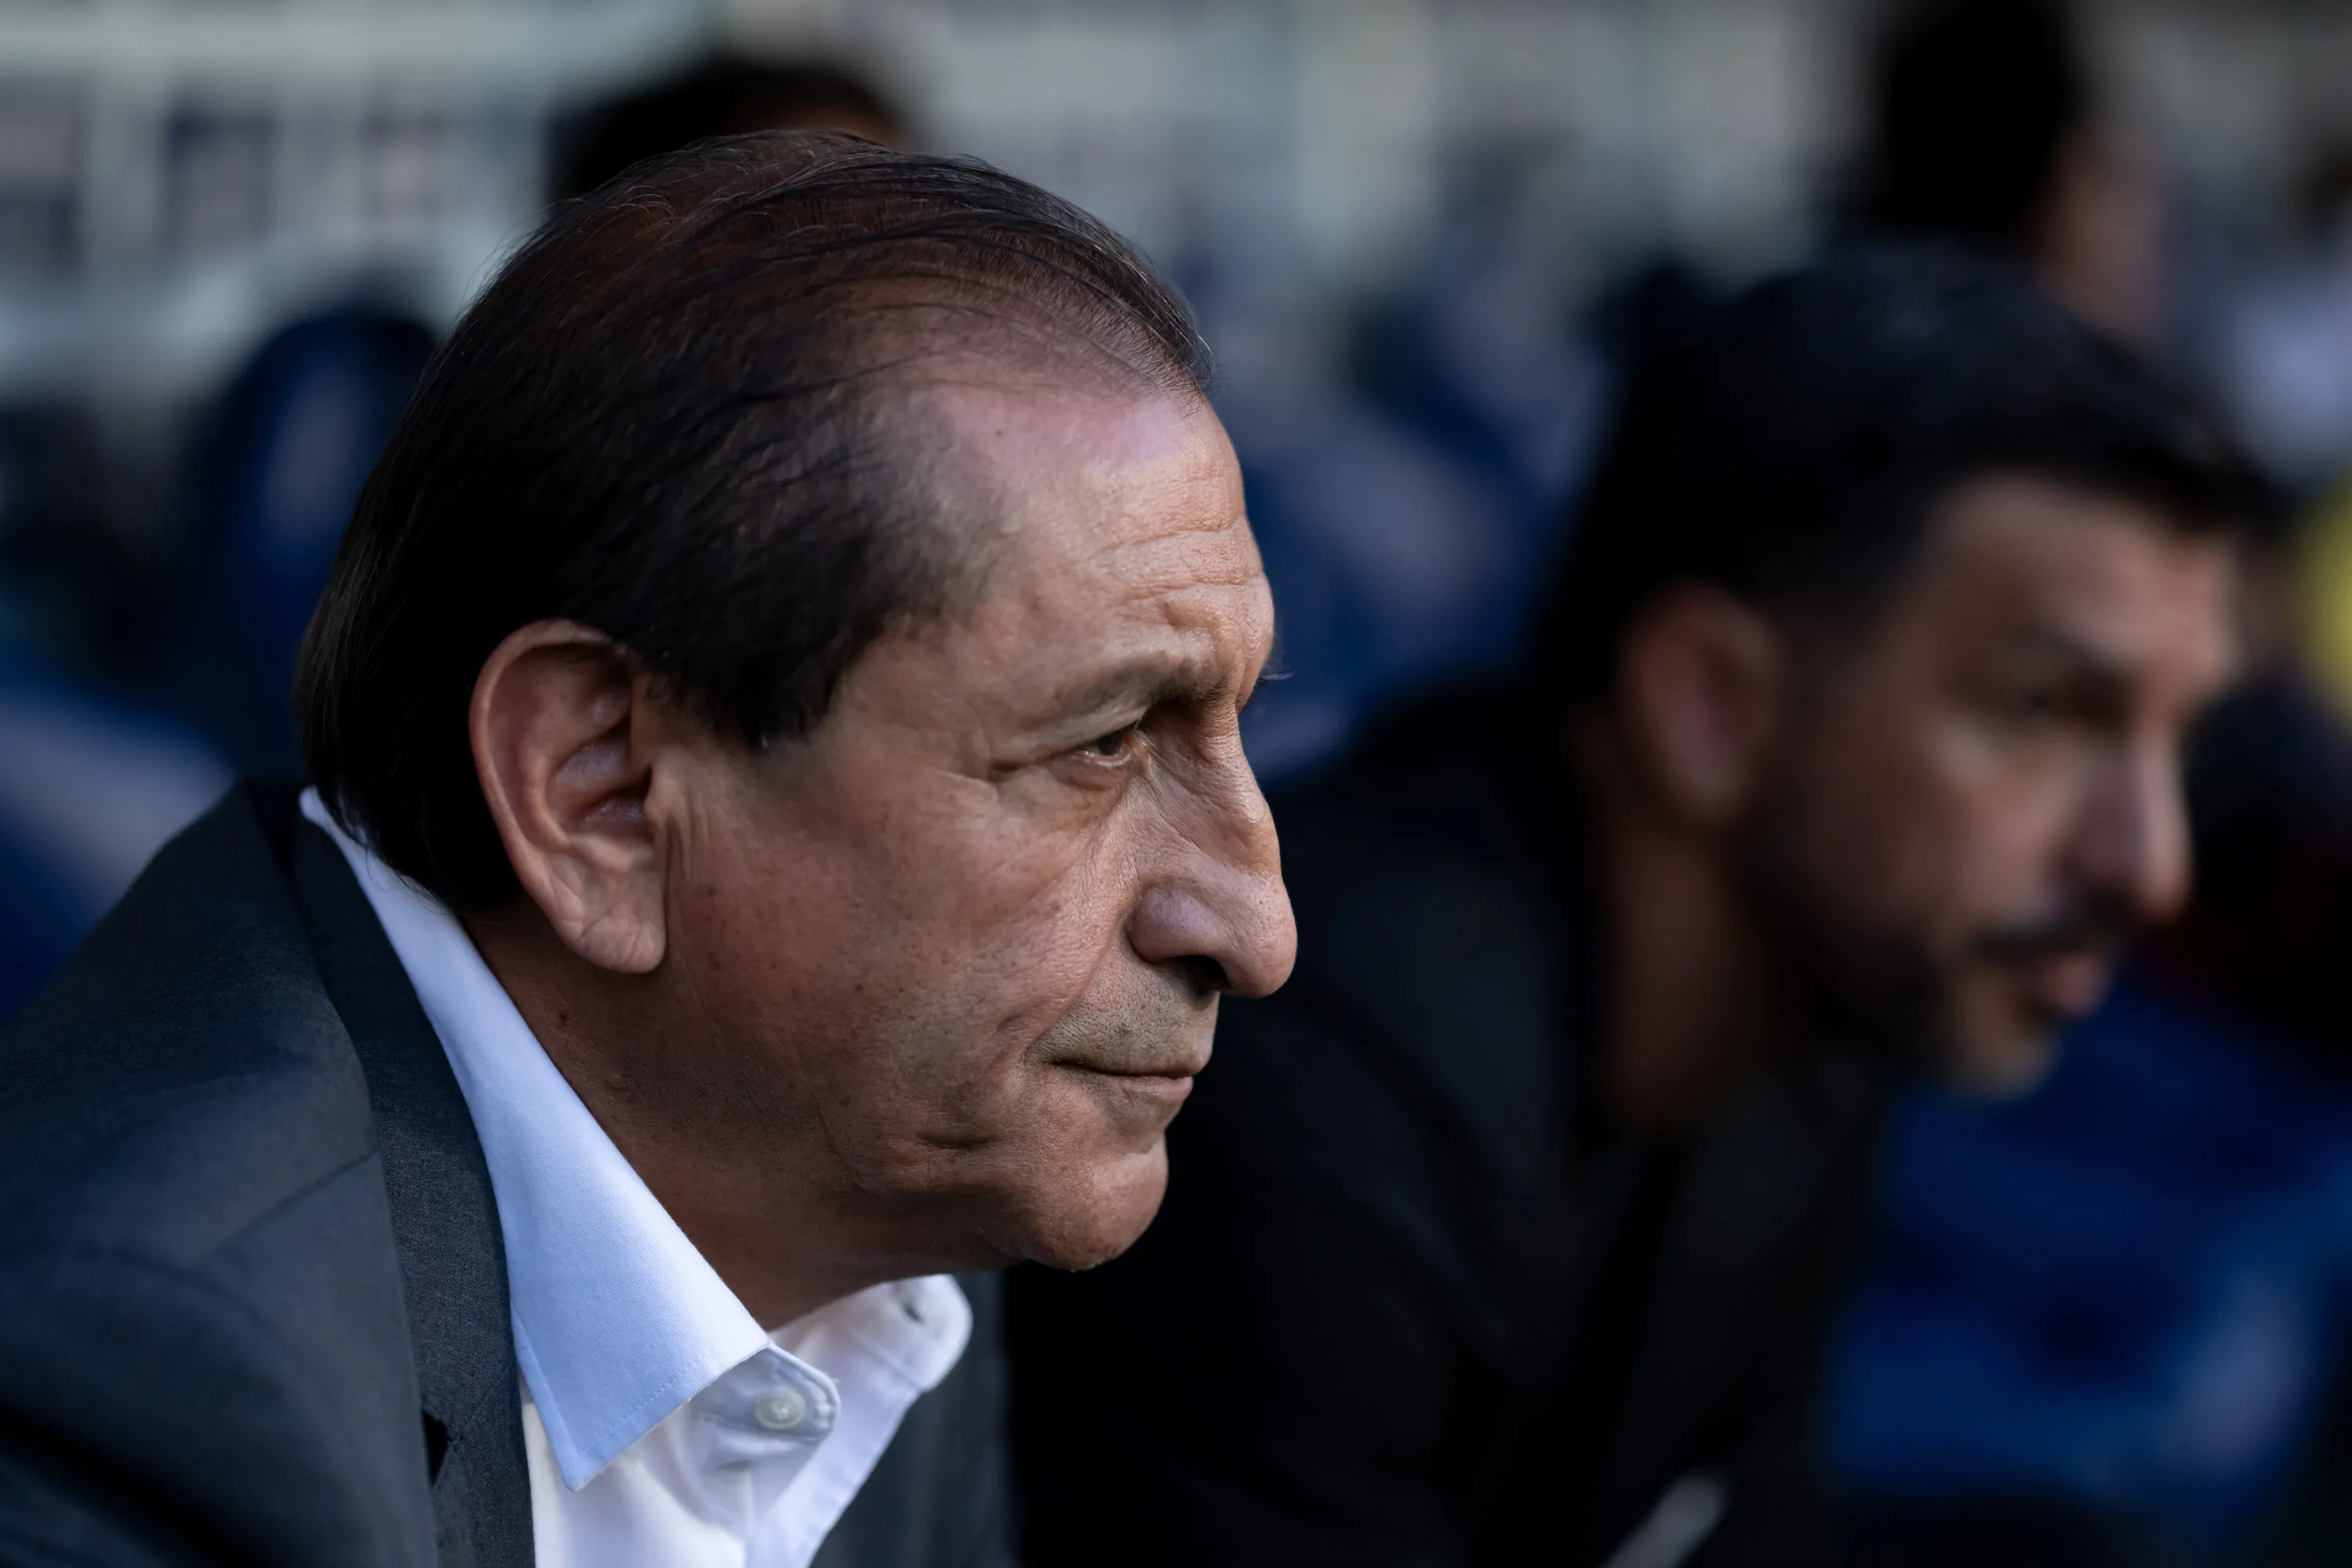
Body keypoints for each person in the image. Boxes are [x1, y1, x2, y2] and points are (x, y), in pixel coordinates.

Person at [0, 131, 1294, 1568]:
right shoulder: (135, 1375)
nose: (1254, 924)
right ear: (600, 790)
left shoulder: (885, 1188)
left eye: (1232, 722)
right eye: (1102, 744)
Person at [1009, 245, 2259, 1566]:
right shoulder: (1309, 1080)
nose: (2151, 863)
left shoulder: (1827, 981)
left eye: (2177, 735)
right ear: (1711, 704)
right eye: (2046, 714)